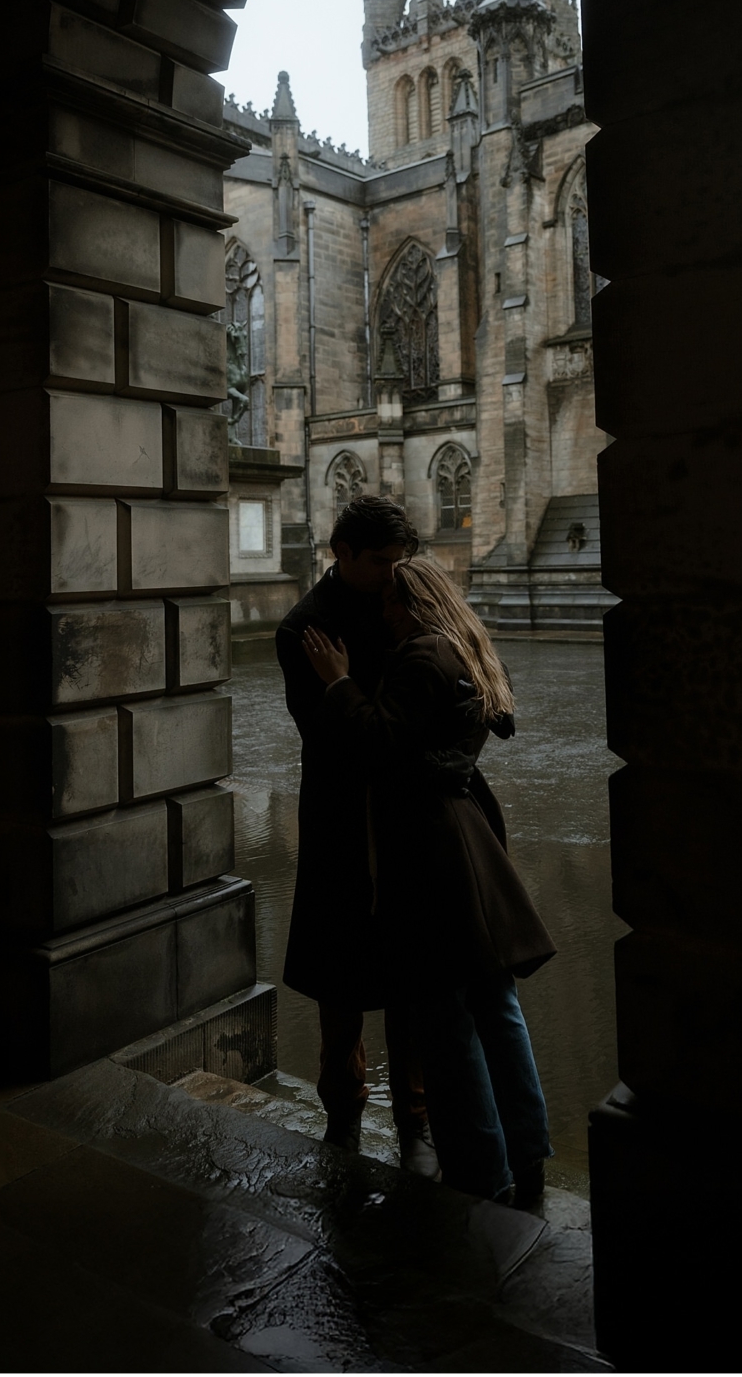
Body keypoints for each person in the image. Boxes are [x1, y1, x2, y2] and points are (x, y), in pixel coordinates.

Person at [300, 554, 556, 1208]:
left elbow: (378, 743)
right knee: (497, 1008)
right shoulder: (465, 648)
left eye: (391, 601)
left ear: (415, 602)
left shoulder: (419, 655)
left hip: (432, 851)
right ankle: (526, 1154)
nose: (383, 611)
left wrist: (338, 682)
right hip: (471, 837)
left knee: (446, 1020)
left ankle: (479, 1171)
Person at [276, 495, 435, 1171]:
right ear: (340, 552)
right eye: (379, 563)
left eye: (401, 563)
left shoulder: (404, 603)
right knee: (341, 984)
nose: (392, 575)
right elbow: (329, 737)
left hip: (404, 813)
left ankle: (417, 1123)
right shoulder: (305, 627)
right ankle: (343, 1113)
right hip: (341, 816)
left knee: (412, 979)